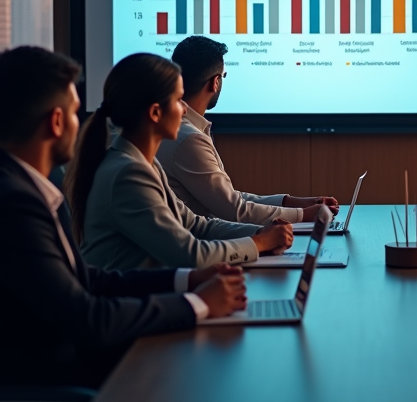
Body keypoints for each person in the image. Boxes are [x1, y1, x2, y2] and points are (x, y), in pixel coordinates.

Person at [0, 47, 248, 389]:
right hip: (49, 394)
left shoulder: (15, 188)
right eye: (75, 113)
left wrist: (185, 283)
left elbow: (88, 281)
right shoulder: (10, 206)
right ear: (56, 122)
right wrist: (196, 305)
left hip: (74, 368)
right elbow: (89, 320)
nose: (81, 123)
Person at [67, 53, 293, 272]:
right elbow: (189, 254)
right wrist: (260, 243)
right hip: (124, 304)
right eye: (178, 100)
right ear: (155, 113)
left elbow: (196, 225)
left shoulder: (146, 164)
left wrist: (260, 232)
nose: (184, 109)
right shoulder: (128, 173)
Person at [157, 36, 338, 223]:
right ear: (215, 82)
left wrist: (293, 203)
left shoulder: (183, 129)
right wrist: (304, 215)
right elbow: (235, 210)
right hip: (204, 243)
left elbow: (228, 198)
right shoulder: (188, 138)